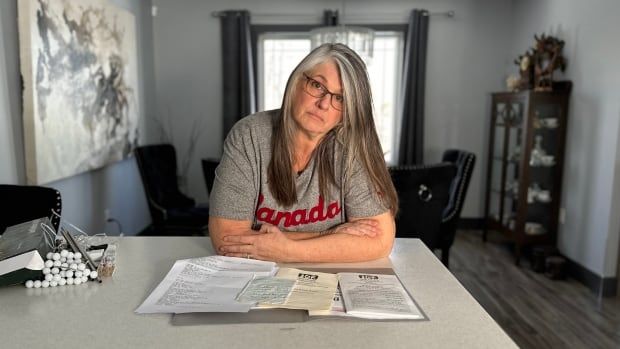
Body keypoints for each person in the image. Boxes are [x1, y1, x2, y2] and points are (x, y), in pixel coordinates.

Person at [209, 43, 398, 263]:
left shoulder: (351, 149)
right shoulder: (249, 135)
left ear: (348, 112)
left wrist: (286, 251)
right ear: (296, 81)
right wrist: (328, 236)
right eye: (318, 85)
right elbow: (227, 240)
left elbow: (379, 241)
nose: (324, 104)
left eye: (340, 98)